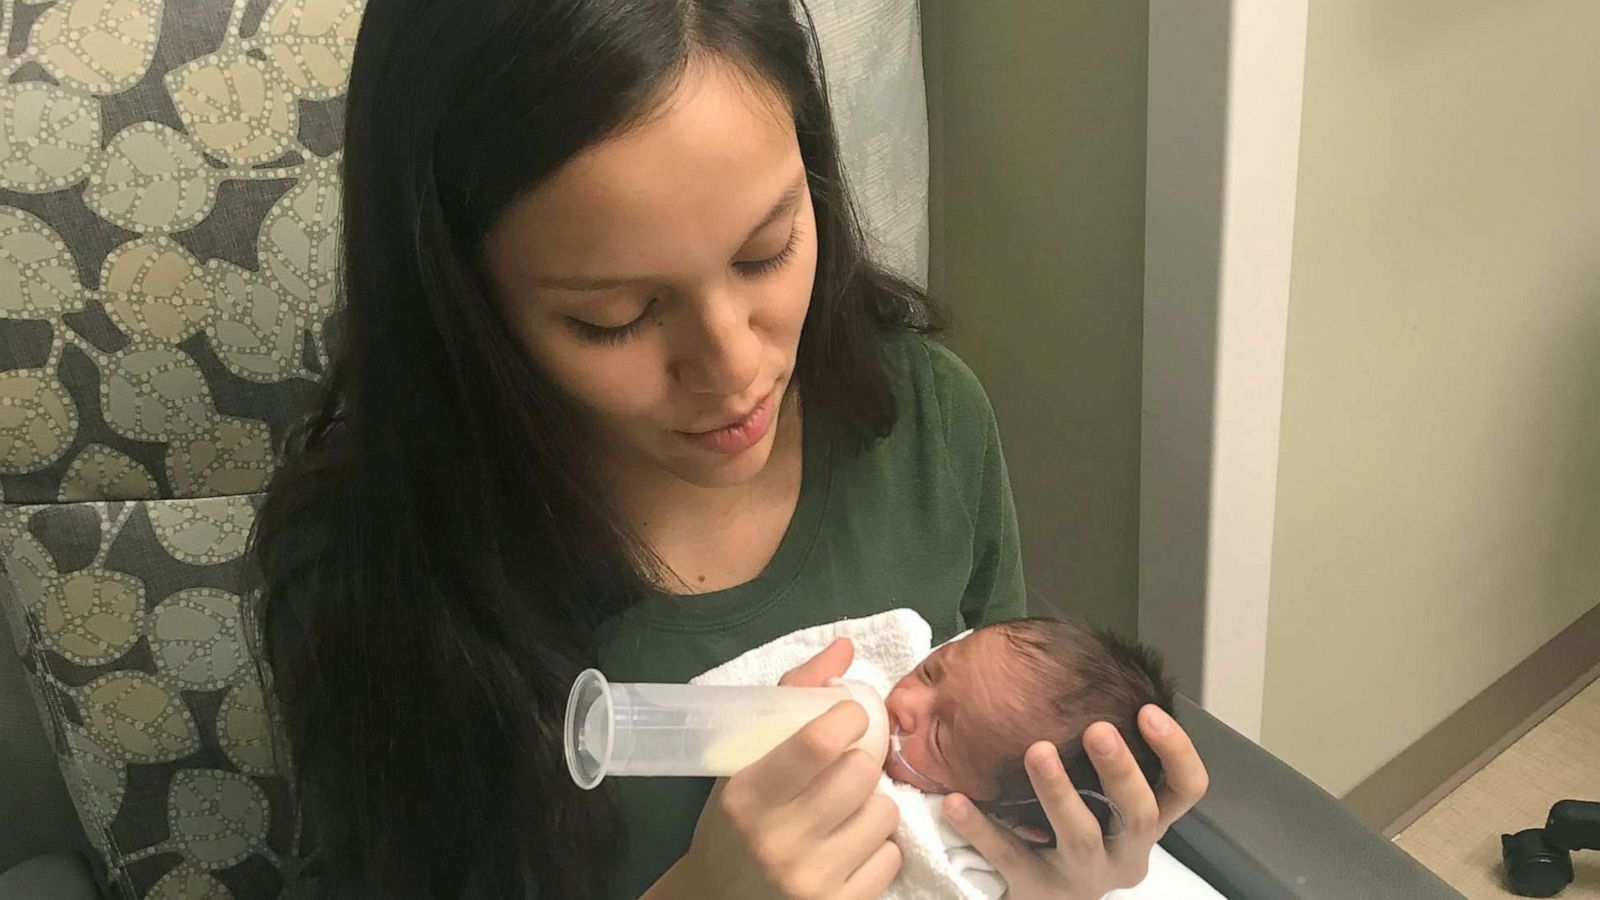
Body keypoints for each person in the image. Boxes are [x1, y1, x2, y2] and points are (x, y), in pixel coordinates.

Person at [250, 0, 1210, 898]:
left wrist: (1051, 867)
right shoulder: (378, 569)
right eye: (614, 317)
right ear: (464, 306)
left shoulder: (925, 421)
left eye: (767, 250)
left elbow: (1009, 713)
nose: (735, 368)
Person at [883, 617, 1176, 846]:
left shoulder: (941, 845)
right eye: (931, 672)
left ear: (1005, 821)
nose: (902, 700)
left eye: (938, 738)